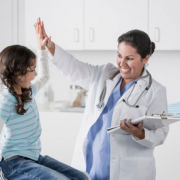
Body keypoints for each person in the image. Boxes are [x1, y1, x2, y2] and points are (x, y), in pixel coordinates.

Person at [41, 18, 169, 180]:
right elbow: (75, 68)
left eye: (129, 58)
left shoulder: (155, 91)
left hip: (127, 170)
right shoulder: (104, 74)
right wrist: (50, 46)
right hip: (91, 162)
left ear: (145, 59)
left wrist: (140, 133)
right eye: (119, 55)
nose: (122, 63)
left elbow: (161, 133)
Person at [0, 19, 90, 180]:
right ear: (19, 73)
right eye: (32, 70)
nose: (35, 74)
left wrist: (41, 47)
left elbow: (44, 75)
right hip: (13, 162)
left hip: (34, 157)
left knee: (81, 178)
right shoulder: (6, 100)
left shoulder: (29, 91)